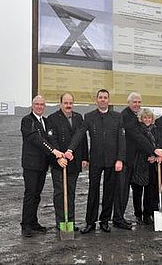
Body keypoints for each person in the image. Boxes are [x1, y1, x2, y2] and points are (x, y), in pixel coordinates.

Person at [67, 89, 126, 234]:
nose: (103, 100)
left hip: (113, 161)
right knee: (93, 191)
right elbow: (80, 134)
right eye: (100, 97)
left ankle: (105, 221)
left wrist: (120, 159)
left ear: (109, 100)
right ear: (96, 100)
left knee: (109, 191)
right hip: (96, 160)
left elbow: (122, 139)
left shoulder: (117, 117)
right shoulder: (89, 117)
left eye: (105, 98)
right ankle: (90, 222)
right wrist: (70, 150)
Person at [114, 92, 162, 228]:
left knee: (126, 191)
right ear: (128, 103)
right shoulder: (126, 117)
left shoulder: (134, 117)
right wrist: (154, 150)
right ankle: (118, 219)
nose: (137, 104)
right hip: (126, 160)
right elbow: (138, 137)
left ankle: (120, 217)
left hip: (135, 160)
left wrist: (154, 153)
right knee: (122, 191)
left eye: (139, 102)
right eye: (134, 102)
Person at [20, 95, 64, 237]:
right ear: (32, 105)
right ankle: (26, 224)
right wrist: (53, 150)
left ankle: (33, 222)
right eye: (37, 104)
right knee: (30, 194)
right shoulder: (27, 120)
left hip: (42, 165)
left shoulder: (45, 121)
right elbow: (35, 139)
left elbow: (51, 138)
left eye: (42, 104)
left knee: (37, 195)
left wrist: (60, 155)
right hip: (31, 165)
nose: (39, 107)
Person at [47, 93, 88, 231]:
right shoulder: (52, 118)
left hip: (74, 162)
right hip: (59, 163)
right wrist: (58, 157)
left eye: (70, 103)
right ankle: (60, 222)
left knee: (71, 192)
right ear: (60, 104)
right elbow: (52, 140)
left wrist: (84, 157)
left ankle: (70, 221)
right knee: (60, 193)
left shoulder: (78, 117)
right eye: (66, 103)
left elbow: (82, 139)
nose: (68, 105)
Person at [133, 108, 159, 225]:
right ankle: (138, 214)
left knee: (150, 190)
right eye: (145, 118)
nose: (147, 120)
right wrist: (149, 154)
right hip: (139, 163)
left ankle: (147, 214)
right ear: (141, 119)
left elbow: (159, 143)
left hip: (152, 164)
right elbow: (139, 145)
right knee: (137, 190)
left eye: (149, 117)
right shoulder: (138, 130)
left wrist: (154, 156)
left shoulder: (156, 130)